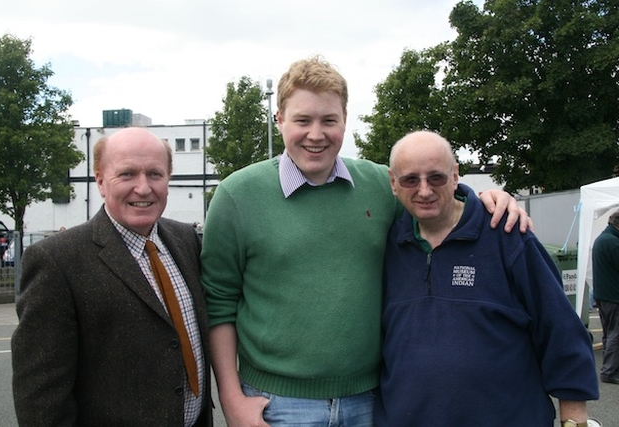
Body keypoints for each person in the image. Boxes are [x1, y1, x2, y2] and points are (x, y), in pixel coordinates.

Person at [201, 56, 530, 426]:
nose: (315, 134)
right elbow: (218, 305)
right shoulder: (236, 196)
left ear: (344, 120)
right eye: (302, 120)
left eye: (329, 120)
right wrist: (231, 399)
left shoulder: (379, 186)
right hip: (276, 404)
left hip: (371, 401)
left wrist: (481, 199)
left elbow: (431, 201)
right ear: (279, 120)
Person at [377, 131, 598, 426]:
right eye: (410, 180)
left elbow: (560, 328)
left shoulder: (507, 235)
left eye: (437, 177)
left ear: (455, 176)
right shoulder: (387, 245)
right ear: (394, 183)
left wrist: (574, 421)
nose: (425, 190)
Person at [11, 127, 212, 426]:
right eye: (127, 174)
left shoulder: (185, 239)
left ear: (168, 180)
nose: (143, 188)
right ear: (101, 182)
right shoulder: (56, 261)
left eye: (155, 174)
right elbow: (41, 398)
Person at [592, 210, 619, 385]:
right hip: (614, 295)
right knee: (616, 334)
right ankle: (610, 371)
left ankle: (609, 368)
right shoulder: (613, 242)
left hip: (603, 294)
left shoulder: (602, 239)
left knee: (609, 332)